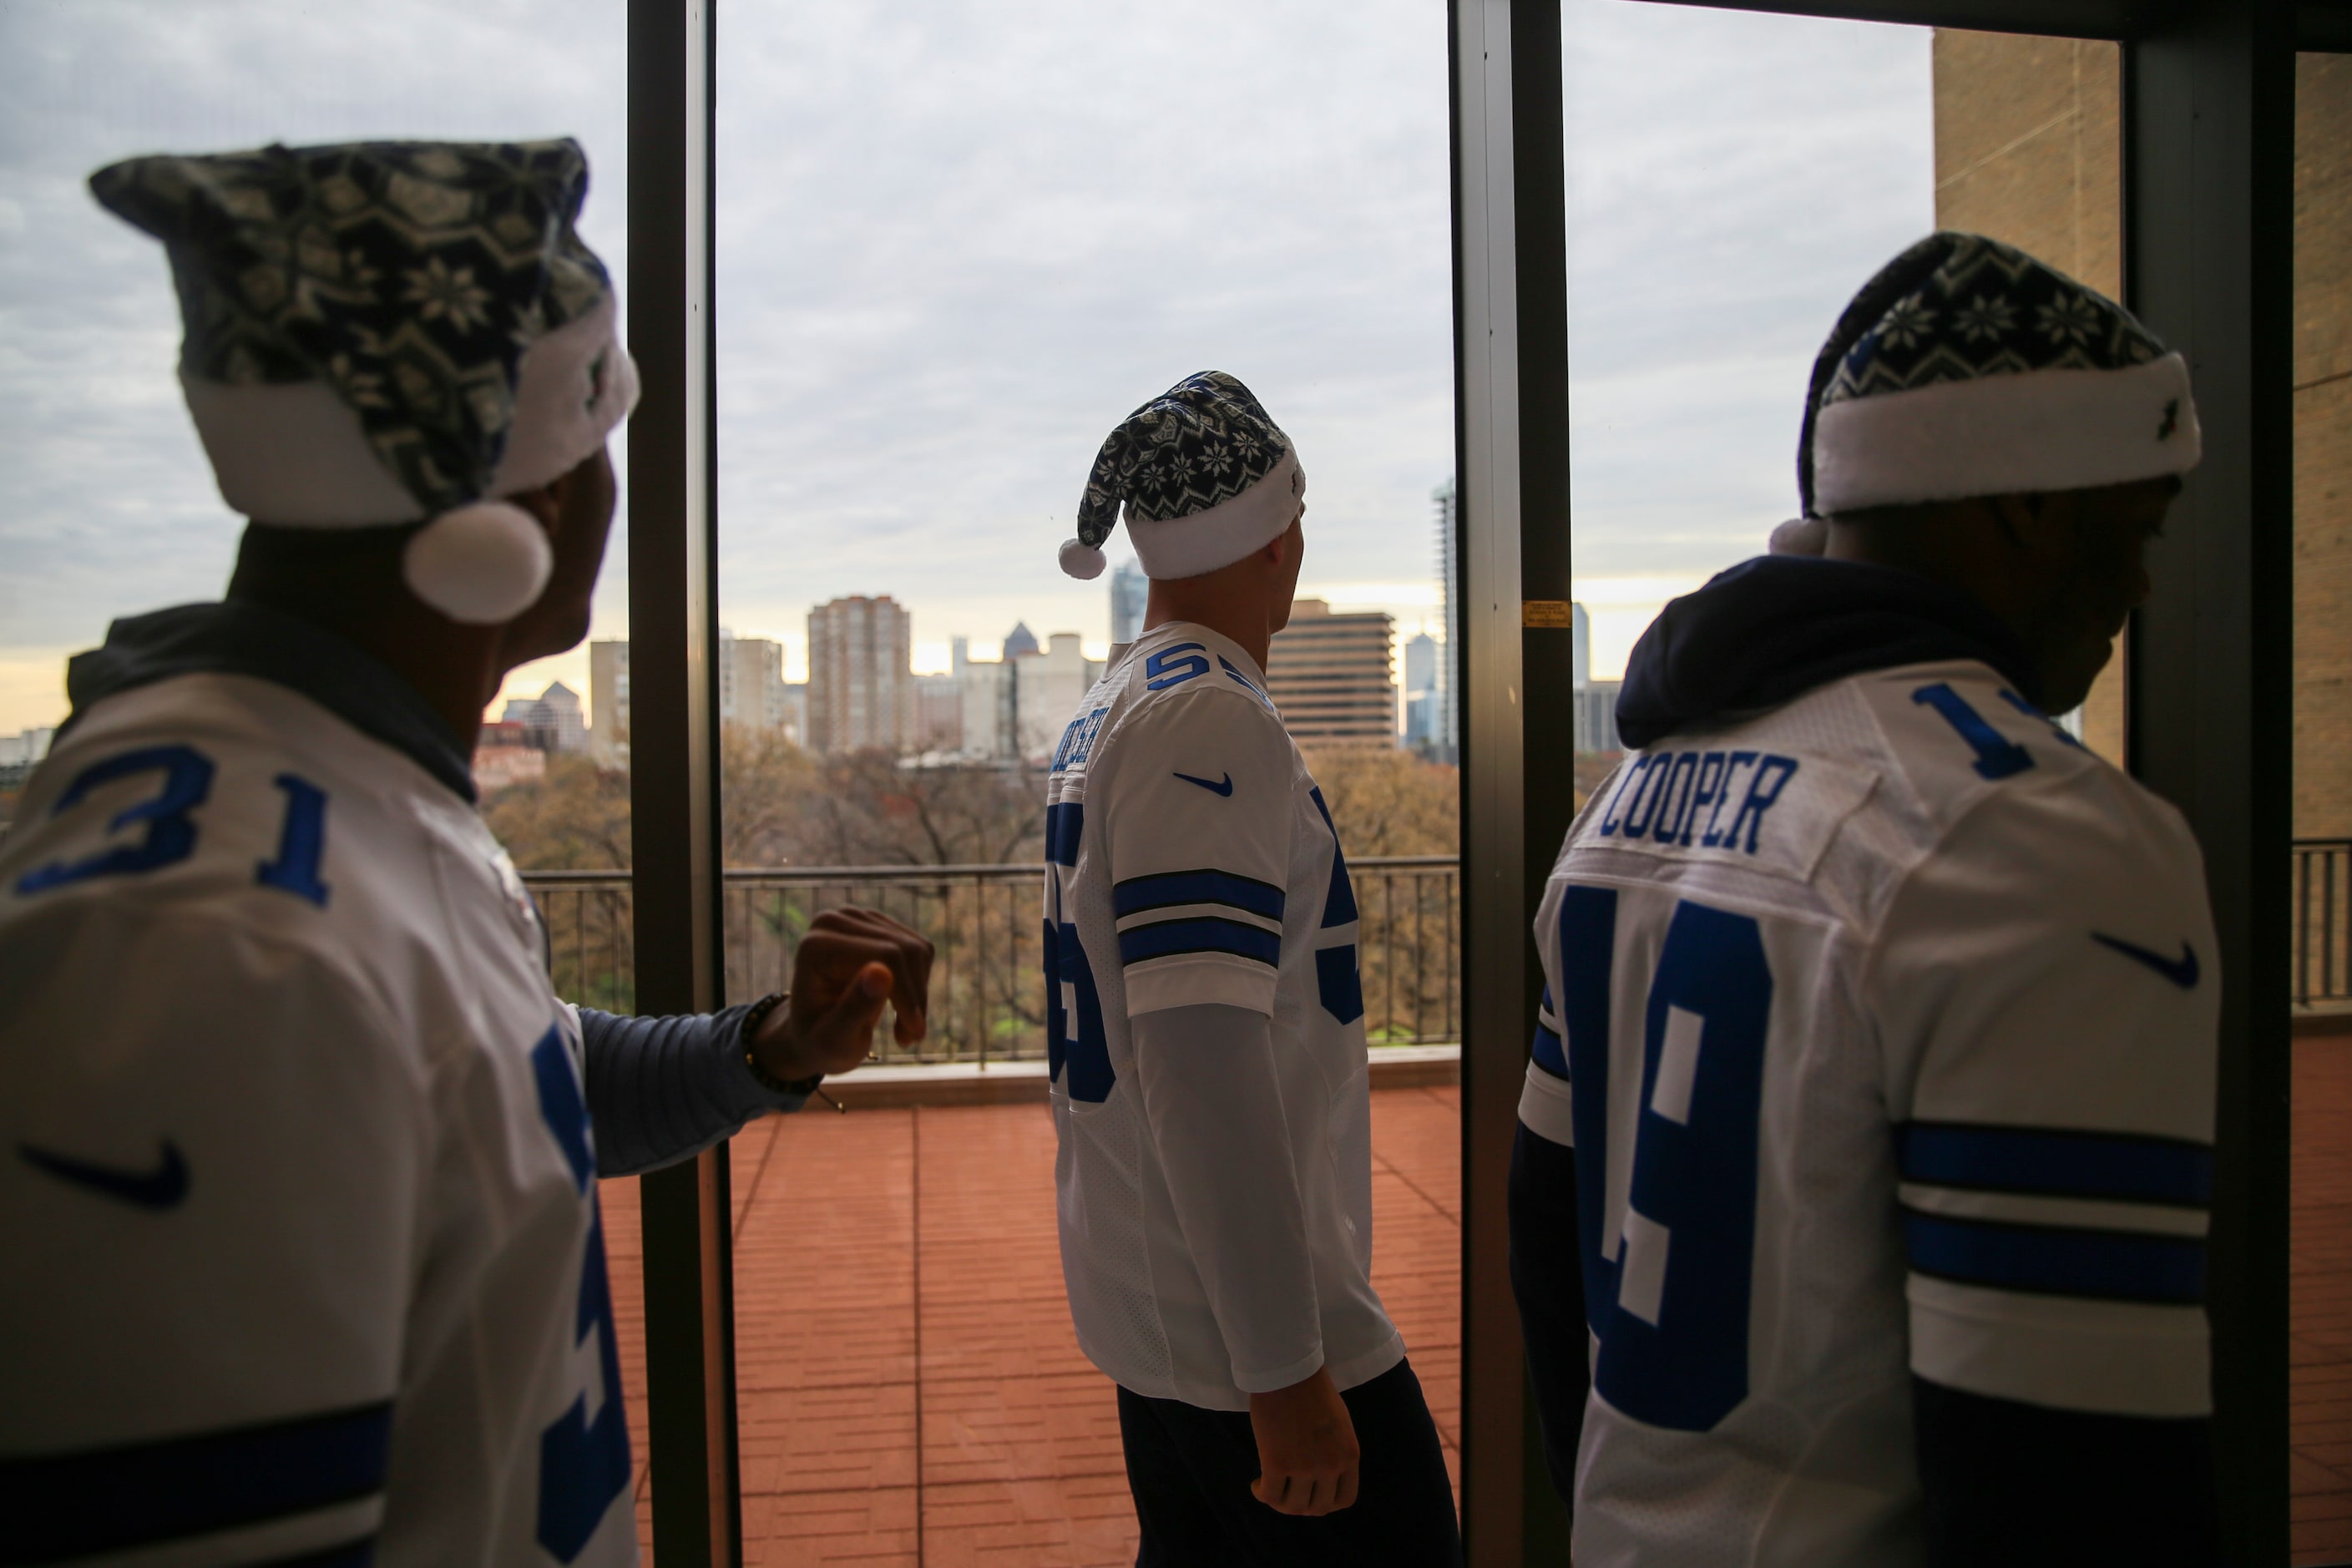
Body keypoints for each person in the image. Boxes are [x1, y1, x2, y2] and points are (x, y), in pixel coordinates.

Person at [0, 140, 930, 1565]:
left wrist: (768, 1048)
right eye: (609, 428)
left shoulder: (324, 800)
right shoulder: (202, 944)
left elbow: (516, 1085)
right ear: (547, 501)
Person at [1510, 231, 2219, 1566]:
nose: (2136, 584)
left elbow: (1545, 1250)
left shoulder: (1623, 800)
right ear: (2021, 503)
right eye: (2132, 525)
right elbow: (2070, 1472)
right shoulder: (2032, 838)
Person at [1042, 372, 1460, 1565]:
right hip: (1241, 1331)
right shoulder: (1207, 720)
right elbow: (1201, 1054)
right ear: (1279, 531)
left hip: (1163, 1302)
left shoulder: (1116, 702)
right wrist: (1285, 1369)